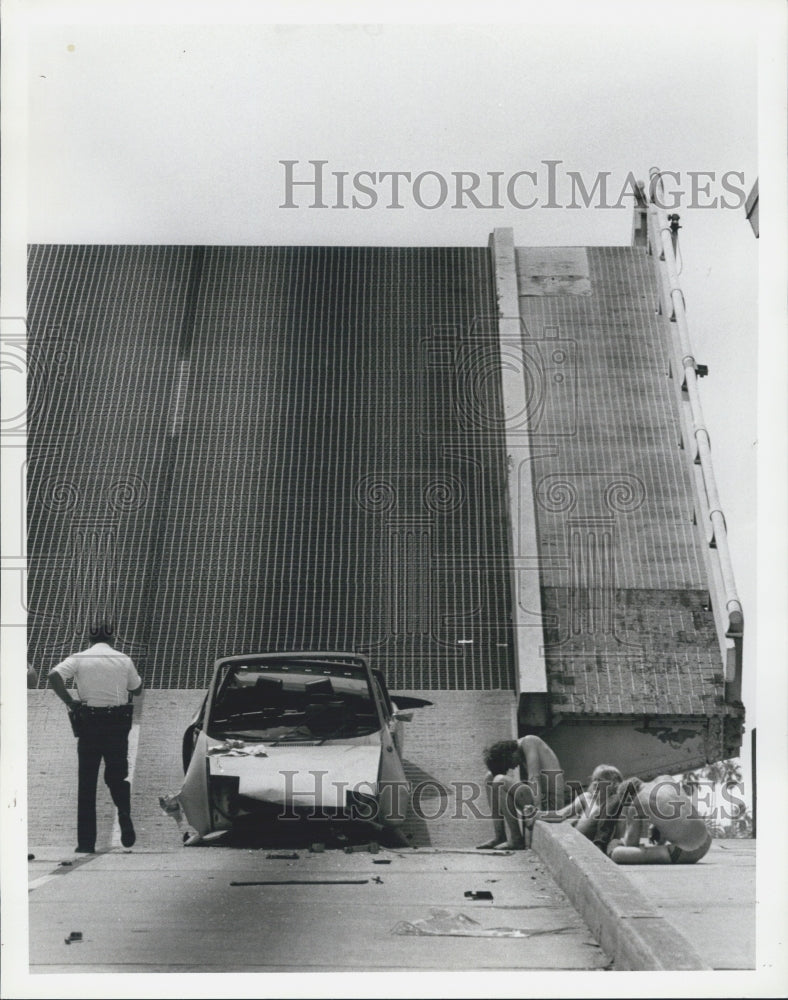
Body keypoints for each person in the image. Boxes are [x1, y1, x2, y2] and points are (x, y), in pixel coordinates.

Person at [48, 622, 143, 854]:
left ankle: (86, 842)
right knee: (118, 774)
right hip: (117, 722)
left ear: (89, 639)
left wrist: (70, 701)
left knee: (87, 781)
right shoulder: (123, 658)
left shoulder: (80, 657)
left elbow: (53, 675)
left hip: (89, 721)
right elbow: (137, 688)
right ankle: (123, 811)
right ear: (113, 639)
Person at [476, 735, 566, 850]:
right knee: (489, 777)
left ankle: (516, 839)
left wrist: (536, 814)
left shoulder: (529, 742)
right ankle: (500, 836)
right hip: (539, 798)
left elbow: (534, 778)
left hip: (550, 804)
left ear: (509, 754)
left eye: (509, 764)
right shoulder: (520, 753)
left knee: (500, 781)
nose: (513, 768)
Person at [602, 774, 712, 865]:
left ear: (628, 799)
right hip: (706, 841)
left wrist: (618, 841)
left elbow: (632, 844)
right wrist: (657, 826)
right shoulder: (666, 778)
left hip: (685, 853)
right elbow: (677, 812)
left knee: (617, 854)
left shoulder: (635, 804)